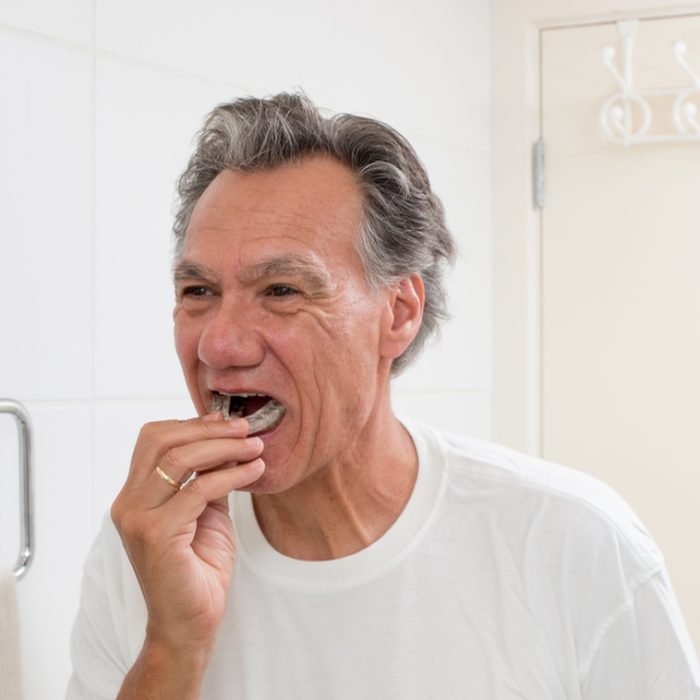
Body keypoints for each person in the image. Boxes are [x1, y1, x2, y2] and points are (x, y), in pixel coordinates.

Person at [67, 93, 700, 699]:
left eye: (282, 290)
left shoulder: (573, 542)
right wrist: (174, 644)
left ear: (398, 312)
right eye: (198, 292)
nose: (220, 346)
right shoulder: (150, 548)